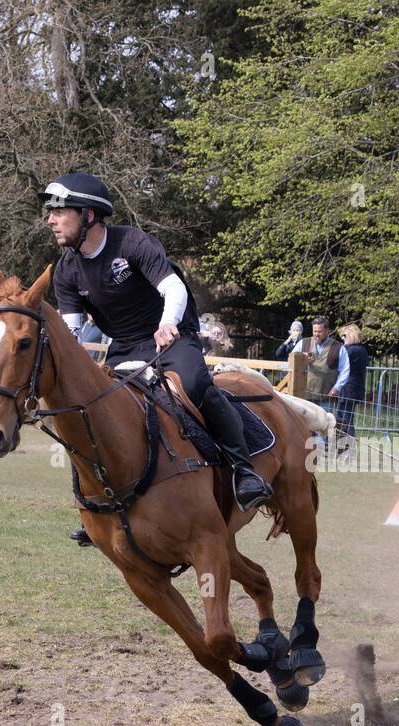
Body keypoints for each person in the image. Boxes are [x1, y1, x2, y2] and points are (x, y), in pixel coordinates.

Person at [40, 171, 273, 527]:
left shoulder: (132, 243)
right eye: (50, 213)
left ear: (87, 215)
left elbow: (174, 289)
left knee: (194, 385)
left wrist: (167, 324)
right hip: (124, 345)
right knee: (94, 409)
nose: (51, 220)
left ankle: (244, 472)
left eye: (60, 212)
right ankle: (101, 501)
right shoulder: (66, 270)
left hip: (173, 334)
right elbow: (71, 329)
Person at [332, 321, 368, 439]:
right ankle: (345, 442)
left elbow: (338, 365)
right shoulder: (360, 349)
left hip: (348, 390)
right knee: (345, 417)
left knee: (345, 418)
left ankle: (349, 442)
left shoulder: (351, 350)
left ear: (351, 335)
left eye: (344, 335)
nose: (343, 338)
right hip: (353, 389)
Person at [305, 316, 349, 406]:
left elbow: (345, 370)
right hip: (304, 396)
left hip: (326, 397)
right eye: (314, 331)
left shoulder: (338, 347)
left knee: (325, 420)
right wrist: (302, 358)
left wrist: (337, 387)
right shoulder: (303, 343)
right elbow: (291, 360)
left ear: (327, 331)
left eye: (319, 332)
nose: (316, 334)